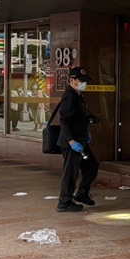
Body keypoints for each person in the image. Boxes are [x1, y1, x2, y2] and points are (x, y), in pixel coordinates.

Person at [57, 66, 98, 212]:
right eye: (81, 81)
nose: (84, 84)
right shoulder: (69, 96)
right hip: (72, 142)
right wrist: (71, 141)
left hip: (81, 139)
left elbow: (79, 117)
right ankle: (64, 202)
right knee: (71, 172)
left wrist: (86, 130)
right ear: (72, 80)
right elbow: (64, 120)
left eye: (85, 81)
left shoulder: (78, 95)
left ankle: (82, 193)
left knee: (91, 166)